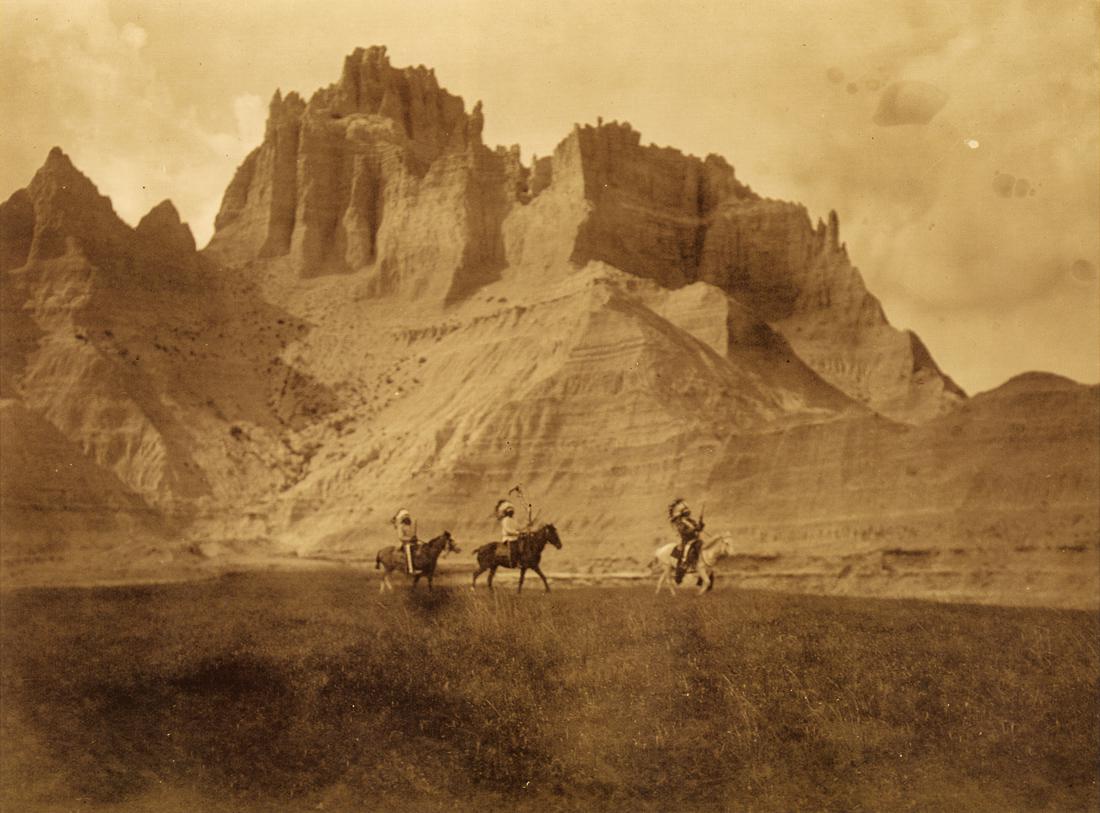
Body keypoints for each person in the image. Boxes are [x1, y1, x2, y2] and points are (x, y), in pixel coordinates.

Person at [668, 498, 704, 584]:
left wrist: (700, 525)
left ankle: (700, 567)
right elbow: (683, 531)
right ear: (683, 514)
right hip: (687, 540)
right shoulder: (680, 522)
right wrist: (694, 529)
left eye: (688, 513)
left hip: (696, 539)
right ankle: (684, 564)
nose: (688, 515)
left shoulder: (691, 521)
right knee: (687, 551)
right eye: (686, 513)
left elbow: (698, 527)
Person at [495, 499, 521, 566]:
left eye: (512, 512)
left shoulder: (513, 520)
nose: (511, 513)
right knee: (514, 547)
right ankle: (512, 561)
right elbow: (508, 531)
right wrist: (517, 533)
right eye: (510, 512)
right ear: (507, 513)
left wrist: (524, 528)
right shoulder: (505, 520)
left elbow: (518, 527)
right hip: (508, 538)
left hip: (515, 537)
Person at [393, 508, 418, 574]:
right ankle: (410, 569)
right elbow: (401, 537)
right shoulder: (400, 526)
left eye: (407, 515)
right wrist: (410, 539)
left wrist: (414, 537)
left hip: (412, 542)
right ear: (402, 518)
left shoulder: (410, 525)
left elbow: (413, 534)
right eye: (405, 516)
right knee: (408, 550)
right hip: (404, 543)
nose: (407, 517)